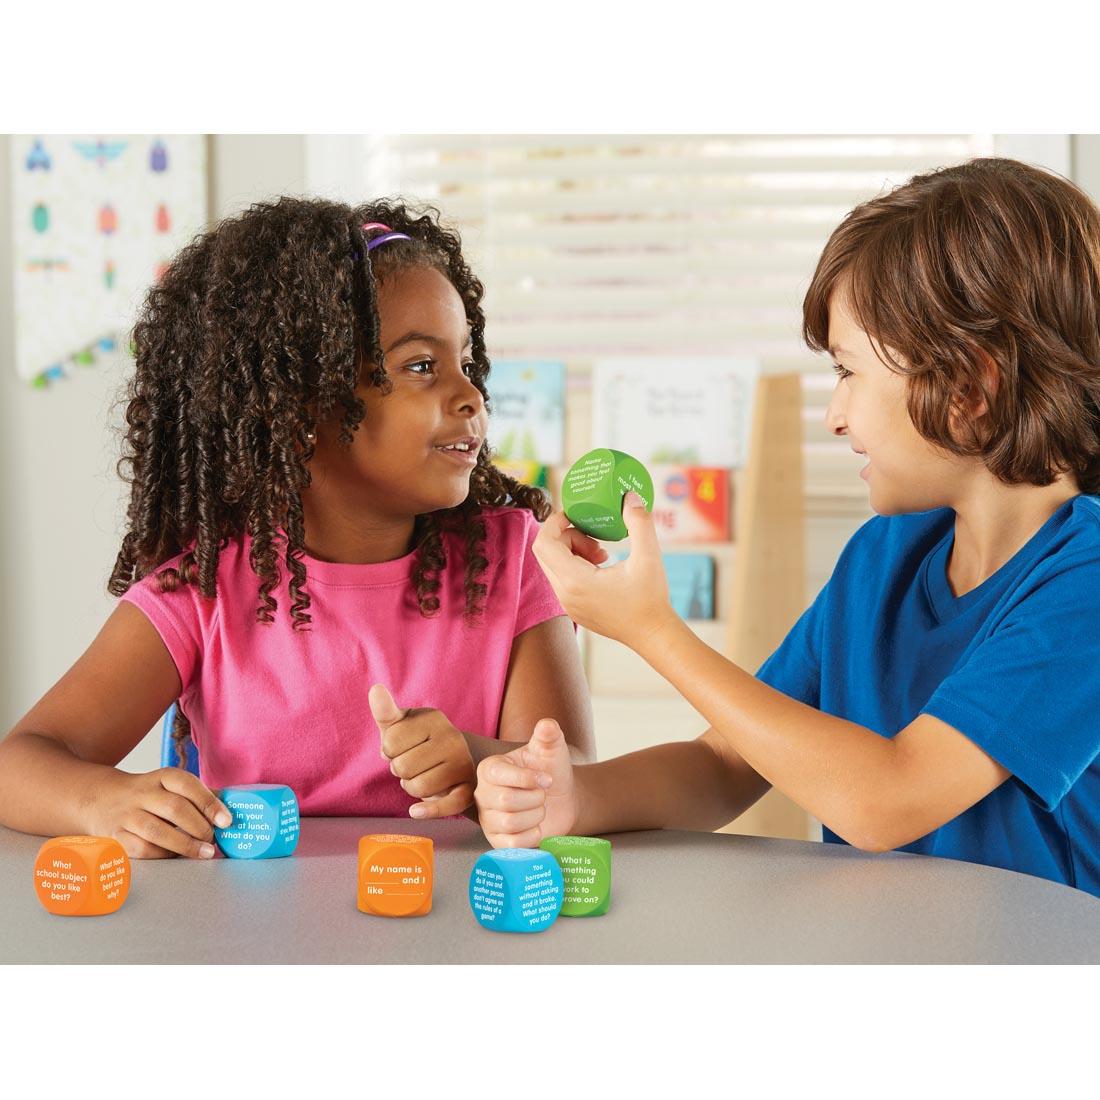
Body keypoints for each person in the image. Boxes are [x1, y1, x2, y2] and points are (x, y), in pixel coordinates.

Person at [474, 158, 1100, 896]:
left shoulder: (1084, 582)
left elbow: (886, 800)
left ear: (969, 386)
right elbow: (728, 764)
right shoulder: (883, 556)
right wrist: (579, 798)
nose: (835, 415)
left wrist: (651, 630)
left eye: (849, 372)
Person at [0, 198, 593, 859]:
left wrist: (478, 760)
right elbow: (19, 765)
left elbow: (577, 771)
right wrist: (101, 800)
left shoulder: (511, 561)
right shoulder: (203, 590)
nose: (470, 394)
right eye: (423, 366)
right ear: (300, 409)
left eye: (466, 360)